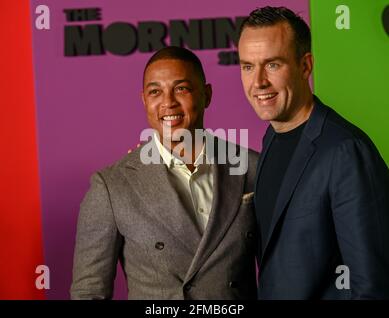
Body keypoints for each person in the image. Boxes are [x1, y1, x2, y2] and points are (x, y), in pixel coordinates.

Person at [70, 46, 259, 299]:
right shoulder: (111, 186)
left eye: (181, 88)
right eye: (155, 91)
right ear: (144, 100)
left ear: (207, 94)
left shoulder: (252, 166)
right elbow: (89, 291)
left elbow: (283, 270)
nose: (168, 102)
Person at [238, 6, 389, 299]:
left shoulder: (346, 151)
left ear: (305, 66)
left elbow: (373, 285)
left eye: (272, 65)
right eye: (247, 66)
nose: (258, 83)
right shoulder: (272, 137)